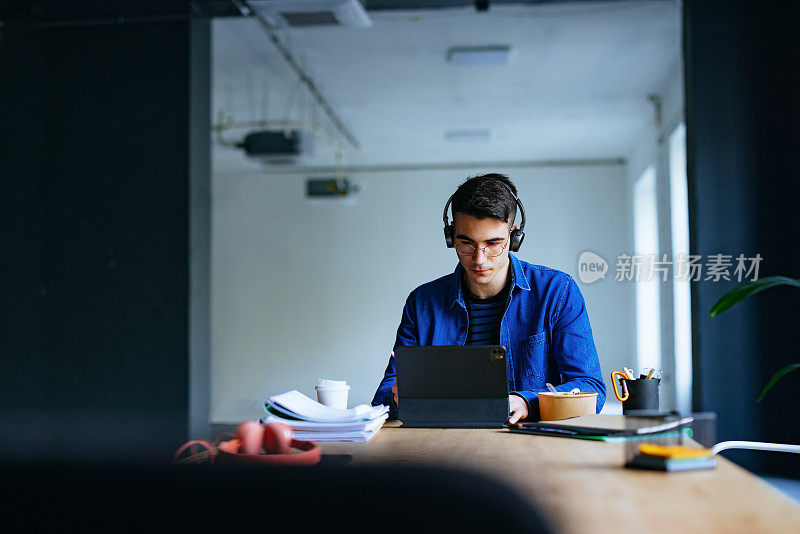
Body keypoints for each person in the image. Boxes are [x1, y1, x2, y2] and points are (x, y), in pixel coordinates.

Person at [371, 173, 606, 423]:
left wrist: (527, 401)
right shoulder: (422, 303)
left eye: (494, 244)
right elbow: (384, 396)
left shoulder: (557, 292)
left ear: (514, 237)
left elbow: (591, 389)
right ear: (451, 237)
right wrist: (398, 396)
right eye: (466, 243)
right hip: (442, 444)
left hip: (530, 445)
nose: (479, 259)